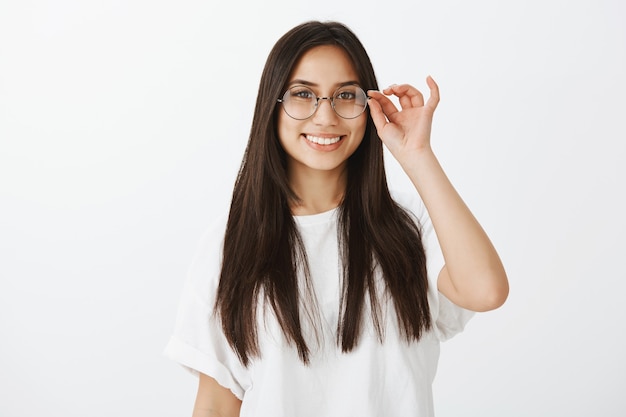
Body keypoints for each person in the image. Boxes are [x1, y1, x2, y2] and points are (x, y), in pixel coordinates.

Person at [164, 20, 509, 417]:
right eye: (302, 94)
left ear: (369, 106)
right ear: (271, 107)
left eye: (345, 95)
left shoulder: (410, 229)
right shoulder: (230, 245)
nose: (325, 117)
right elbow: (216, 406)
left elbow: (486, 291)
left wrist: (418, 156)